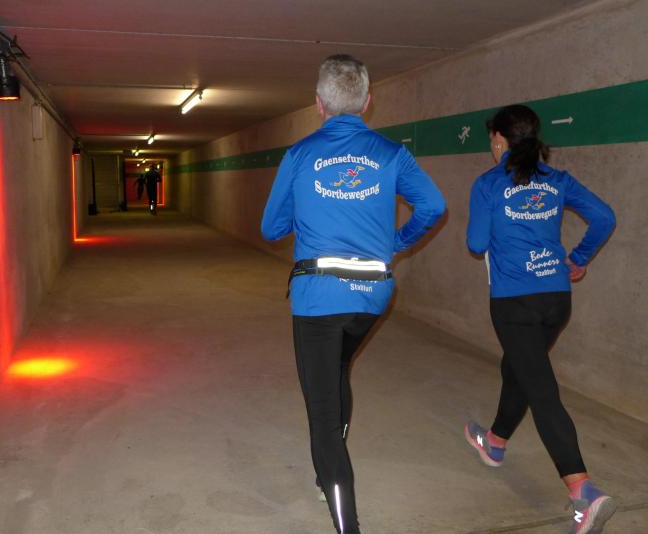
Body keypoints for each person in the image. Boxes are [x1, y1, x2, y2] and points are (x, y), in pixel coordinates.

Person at [261, 54, 445, 534]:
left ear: (318, 104)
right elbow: (433, 205)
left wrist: (305, 211)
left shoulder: (300, 155)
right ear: (366, 101)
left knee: (321, 414)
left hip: (318, 298)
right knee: (338, 367)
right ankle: (329, 466)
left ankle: (346, 521)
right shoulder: (391, 153)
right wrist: (396, 242)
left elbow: (271, 227)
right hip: (372, 295)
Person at [465, 104, 617, 534]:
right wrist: (578, 258)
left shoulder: (489, 183)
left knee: (541, 390)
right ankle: (495, 442)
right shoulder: (558, 180)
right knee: (518, 368)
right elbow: (604, 217)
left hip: (514, 302)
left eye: (491, 139)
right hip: (556, 299)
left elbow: (476, 243)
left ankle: (582, 491)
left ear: (499, 139)